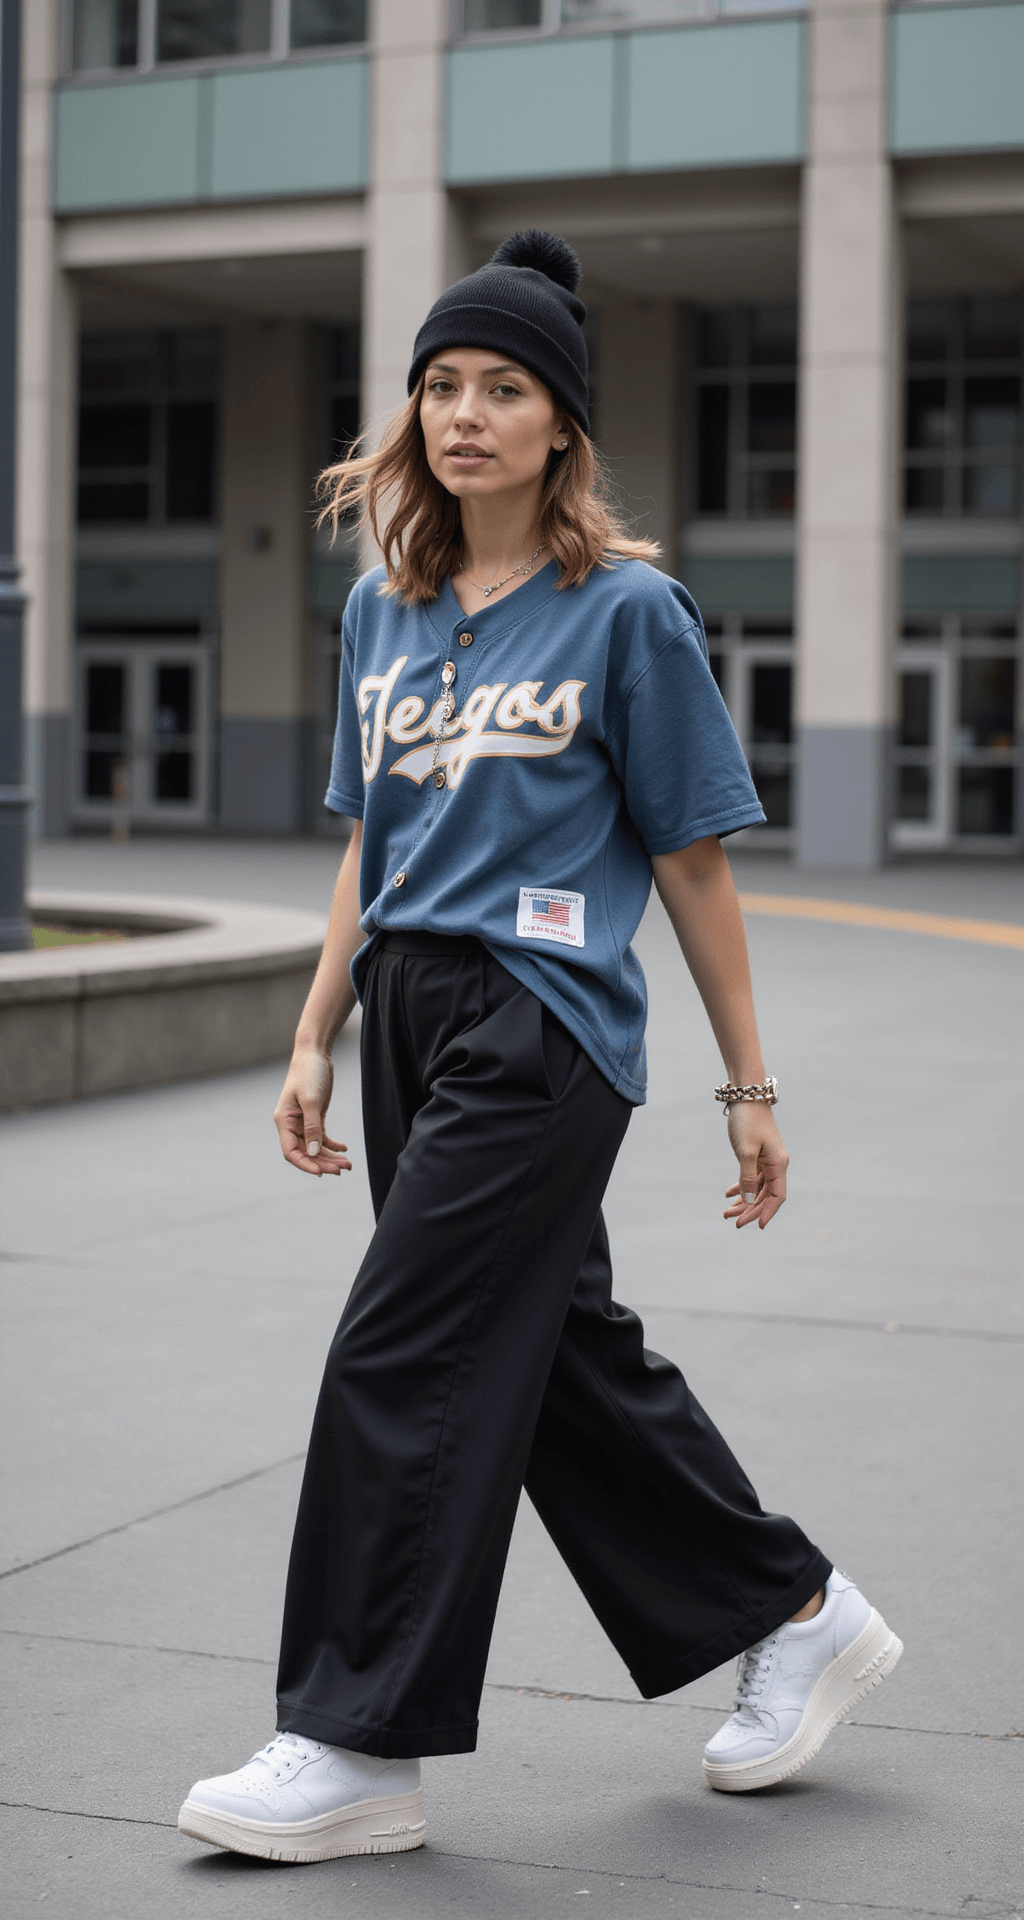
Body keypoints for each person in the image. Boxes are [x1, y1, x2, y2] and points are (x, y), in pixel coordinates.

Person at [178, 231, 902, 1865]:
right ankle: (794, 1610)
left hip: (544, 1023)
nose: (466, 414)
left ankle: (355, 1745)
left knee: (404, 1355)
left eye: (505, 388)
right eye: (442, 384)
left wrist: (750, 1086)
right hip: (411, 1022)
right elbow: (370, 842)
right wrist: (312, 1035)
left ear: (564, 424)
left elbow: (698, 857)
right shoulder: (385, 605)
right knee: (556, 1359)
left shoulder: (626, 611)